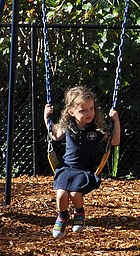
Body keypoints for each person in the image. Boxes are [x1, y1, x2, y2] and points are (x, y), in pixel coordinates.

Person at [45, 85, 120, 239]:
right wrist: (46, 117)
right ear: (71, 112)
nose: (89, 113)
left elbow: (115, 141)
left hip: (85, 170)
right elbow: (54, 135)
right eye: (83, 110)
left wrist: (116, 121)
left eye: (91, 108)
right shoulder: (67, 126)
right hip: (66, 168)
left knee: (74, 193)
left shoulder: (97, 129)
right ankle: (62, 216)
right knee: (61, 195)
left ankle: (79, 212)